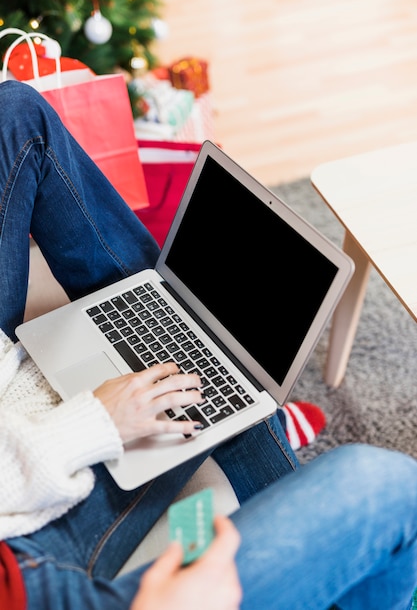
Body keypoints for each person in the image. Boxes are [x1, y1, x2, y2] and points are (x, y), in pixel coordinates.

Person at [1, 79, 417, 610]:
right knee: (387, 483)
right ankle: (253, 420)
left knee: (16, 112)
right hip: (25, 558)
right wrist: (94, 423)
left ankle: (187, 334)